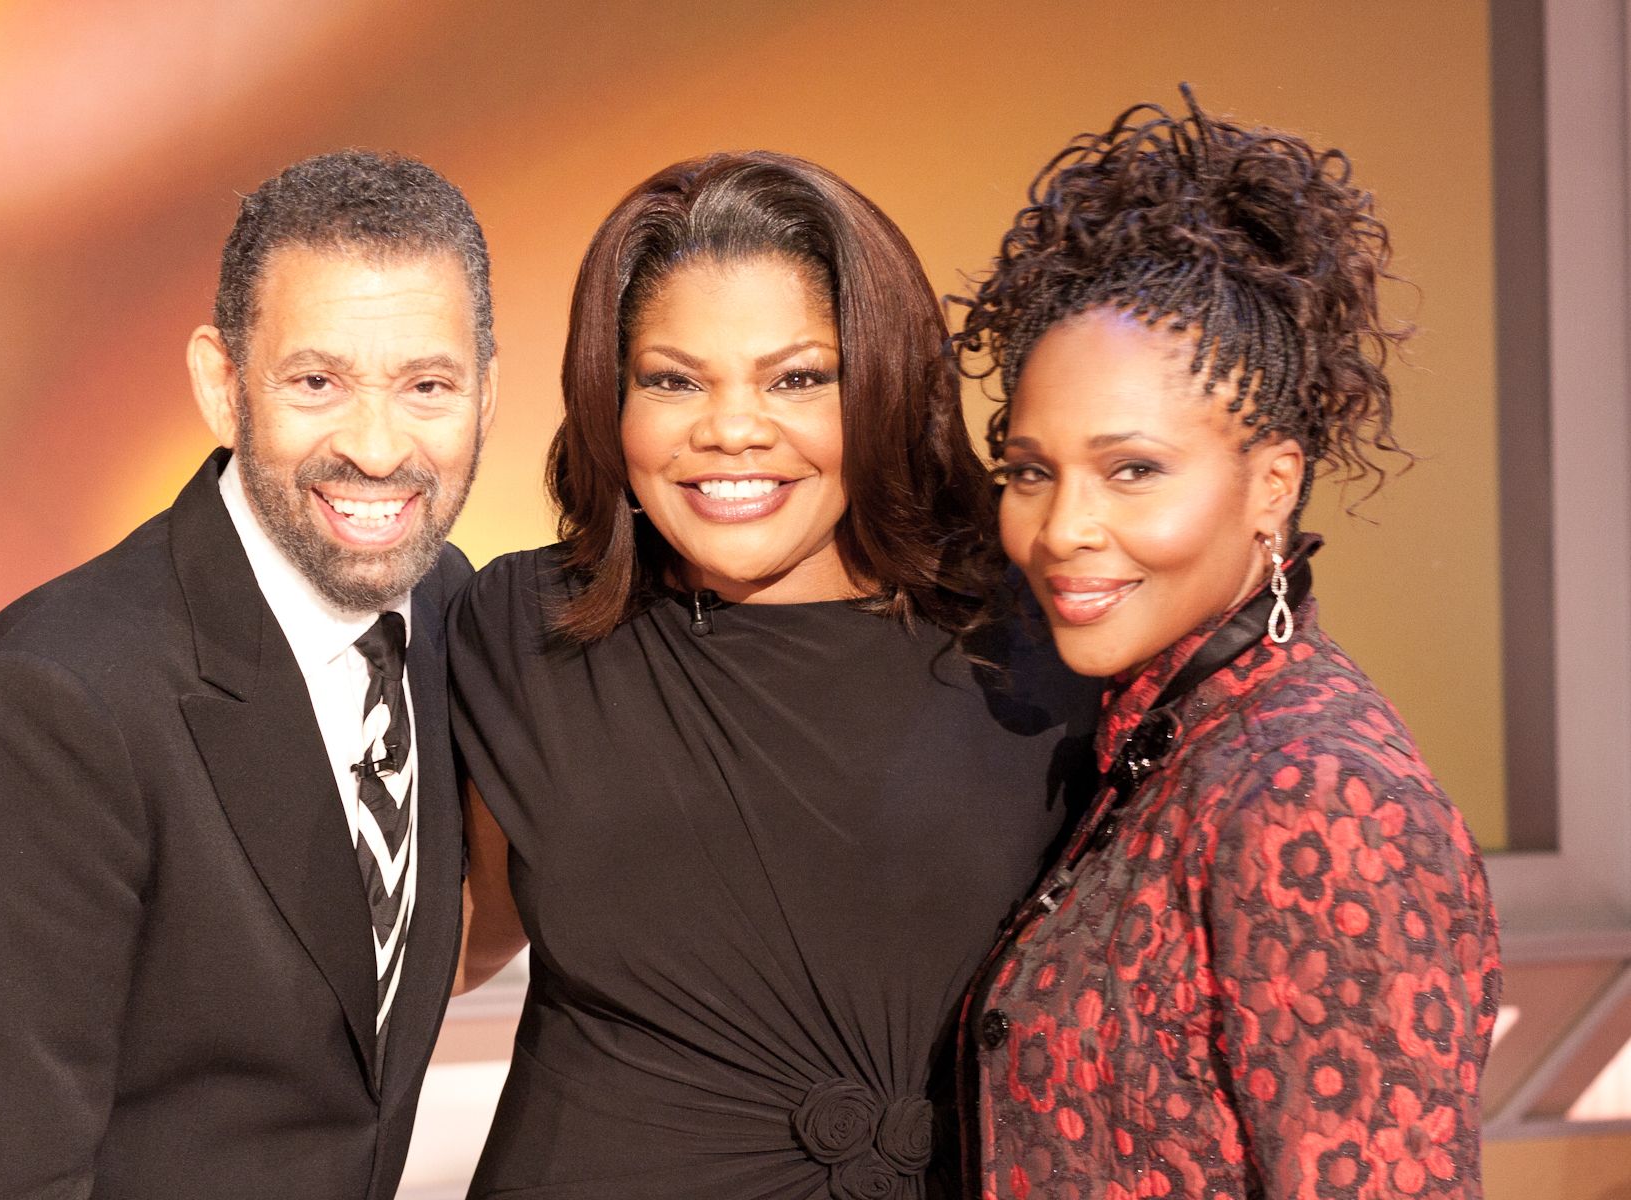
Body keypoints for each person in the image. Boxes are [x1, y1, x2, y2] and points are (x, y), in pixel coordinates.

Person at [446, 151, 1095, 1200]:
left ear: (884, 384)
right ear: (611, 398)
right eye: (672, 379)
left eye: (799, 378)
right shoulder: (523, 629)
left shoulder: (1039, 641)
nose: (732, 429)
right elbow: (450, 948)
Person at [0, 150, 496, 1199]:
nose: (379, 447)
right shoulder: (53, 700)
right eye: (317, 382)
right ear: (220, 382)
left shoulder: (445, 607)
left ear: (486, 388)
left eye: (427, 384)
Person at [950, 90, 1503, 1200]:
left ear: (1274, 484)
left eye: (1132, 469)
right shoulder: (1165, 737)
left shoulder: (1318, 794)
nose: (1061, 528)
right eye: (1029, 471)